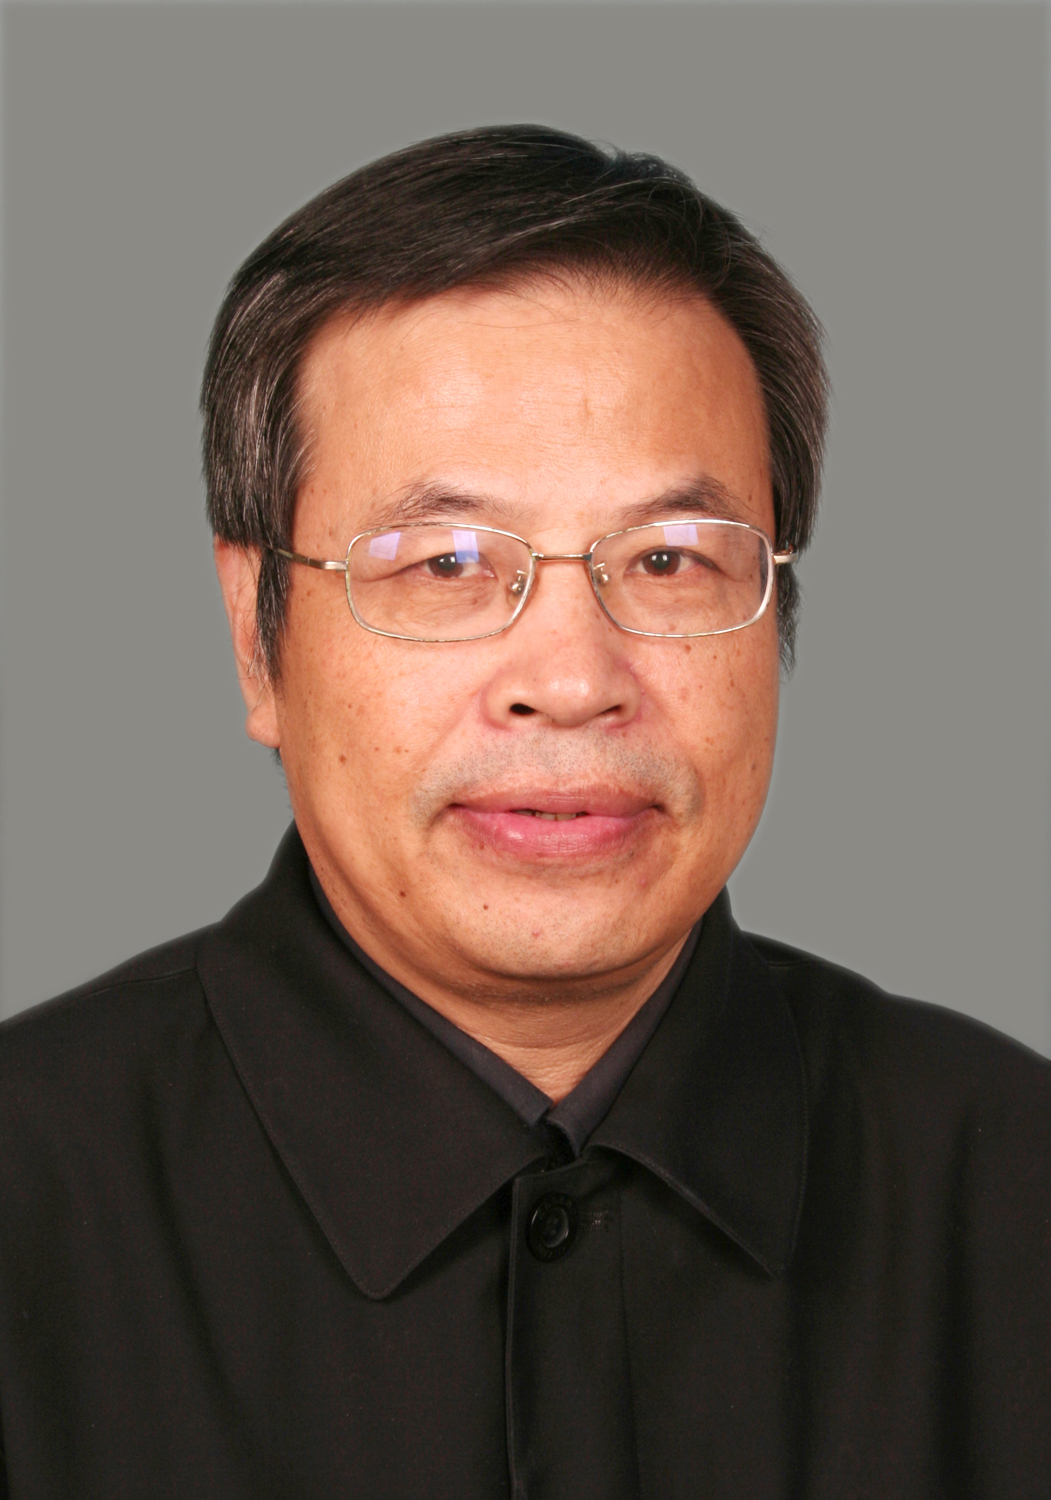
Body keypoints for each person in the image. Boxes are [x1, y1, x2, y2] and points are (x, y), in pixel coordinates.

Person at [0, 126, 1047, 1500]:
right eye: (444, 562)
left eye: (669, 558)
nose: (570, 681)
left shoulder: (1015, 1188)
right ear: (258, 639)